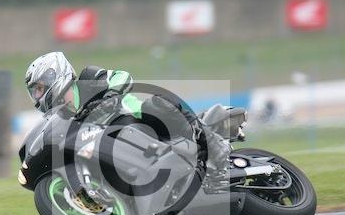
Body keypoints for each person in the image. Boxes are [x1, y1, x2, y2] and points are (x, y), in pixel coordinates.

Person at [25, 51, 230, 173]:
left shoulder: (89, 78)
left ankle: (211, 142)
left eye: (39, 88)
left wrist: (109, 95)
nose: (37, 95)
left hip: (138, 121)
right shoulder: (63, 118)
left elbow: (122, 76)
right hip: (118, 148)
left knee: (157, 103)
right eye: (34, 92)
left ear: (53, 74)